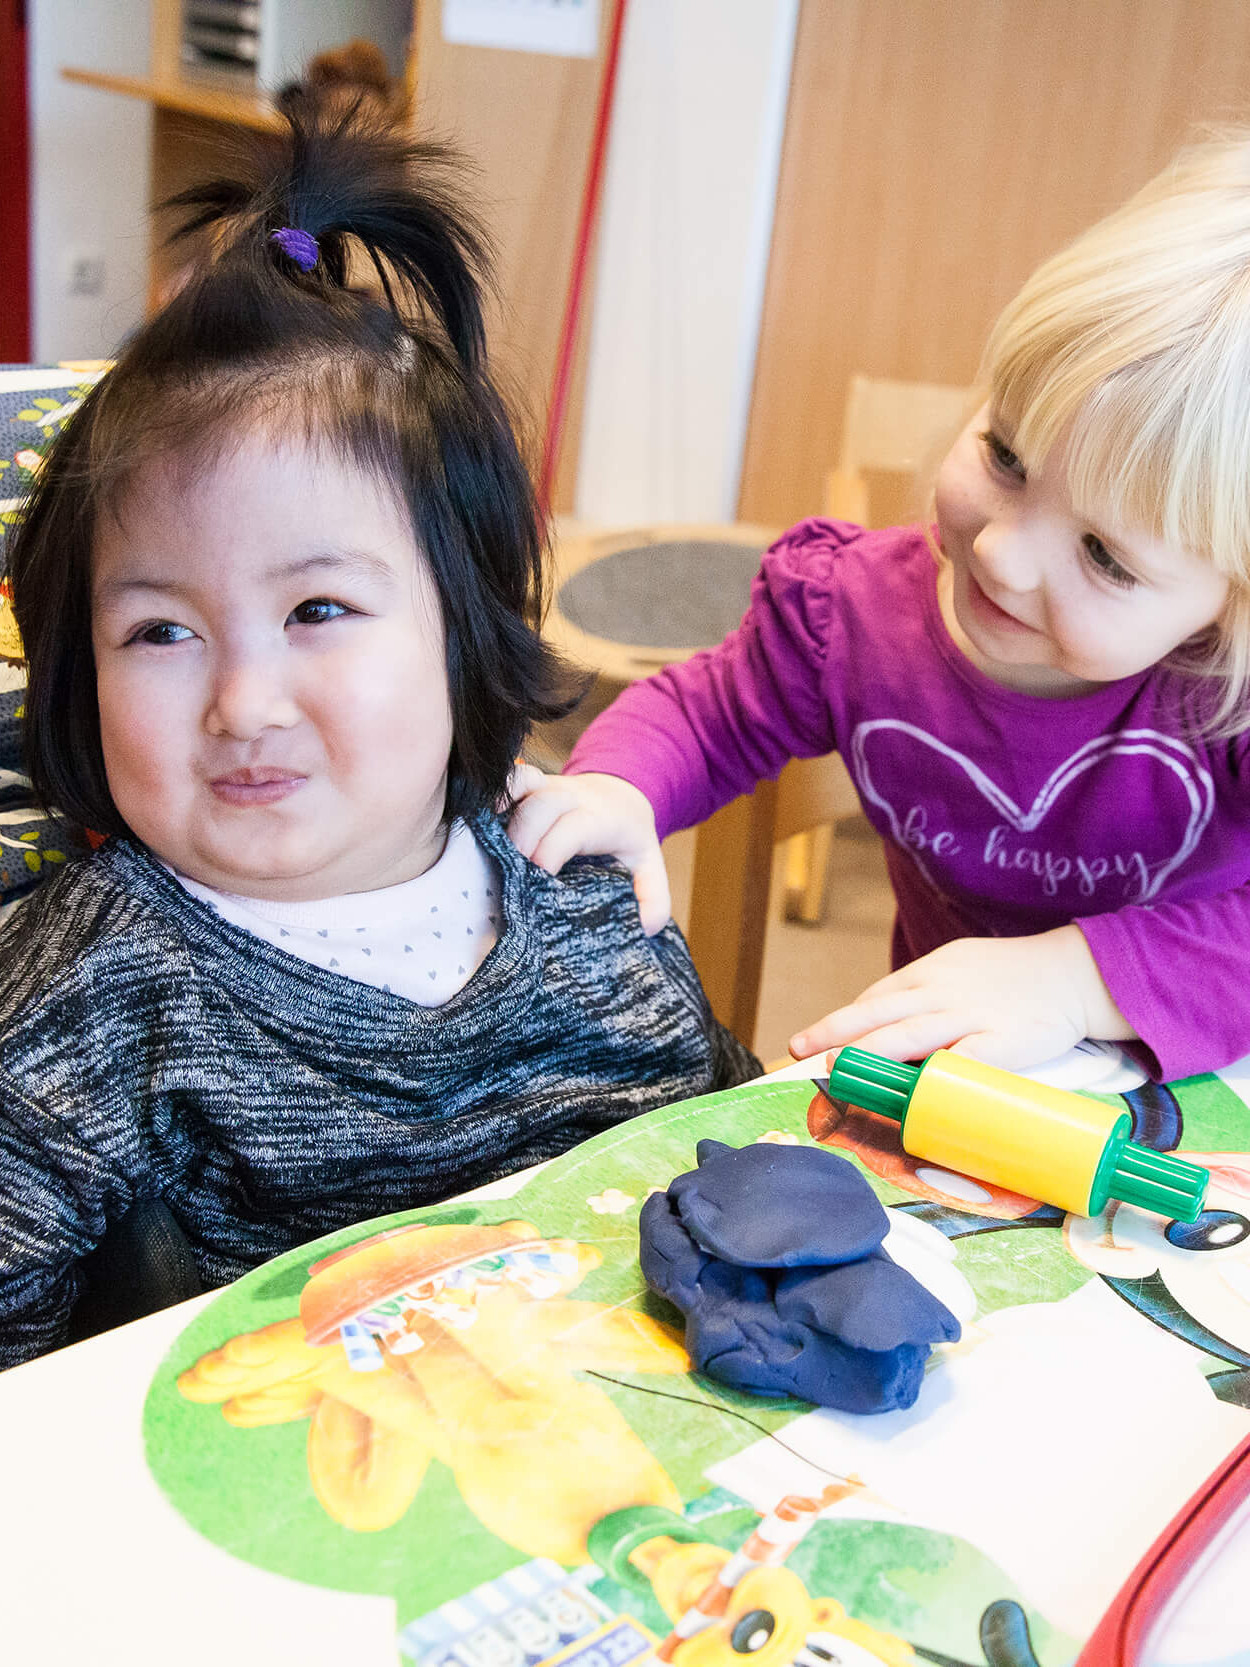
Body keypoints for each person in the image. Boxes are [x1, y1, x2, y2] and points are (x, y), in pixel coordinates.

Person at [0, 112, 757, 1369]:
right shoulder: (92, 988)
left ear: (461, 631)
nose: (243, 701)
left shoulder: (570, 882)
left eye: (317, 611)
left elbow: (731, 1157)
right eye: (159, 632)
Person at [510, 130, 1250, 1085]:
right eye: (1007, 458)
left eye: (1106, 556)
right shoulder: (849, 614)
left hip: (1200, 1085)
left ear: (1228, 604)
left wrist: (1073, 979)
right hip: (946, 1095)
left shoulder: (1225, 690)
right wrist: (620, 786)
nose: (1001, 553)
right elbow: (709, 712)